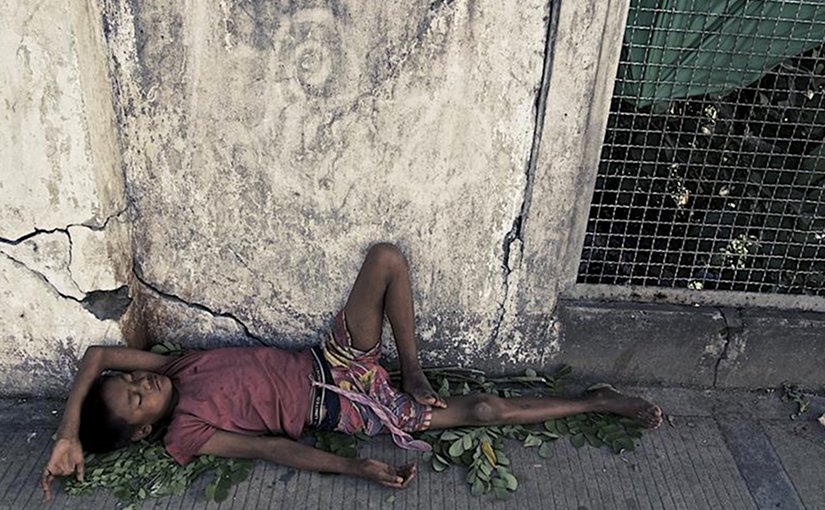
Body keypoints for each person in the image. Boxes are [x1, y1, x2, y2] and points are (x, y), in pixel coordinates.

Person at [40, 243, 662, 500]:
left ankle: (412, 369)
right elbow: (274, 451)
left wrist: (69, 431)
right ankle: (595, 401)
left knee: (386, 260)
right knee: (486, 412)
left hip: (330, 357)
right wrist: (354, 465)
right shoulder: (187, 434)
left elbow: (97, 357)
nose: (144, 386)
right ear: (147, 430)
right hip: (343, 408)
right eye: (138, 401)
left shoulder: (173, 364)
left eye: (133, 382)